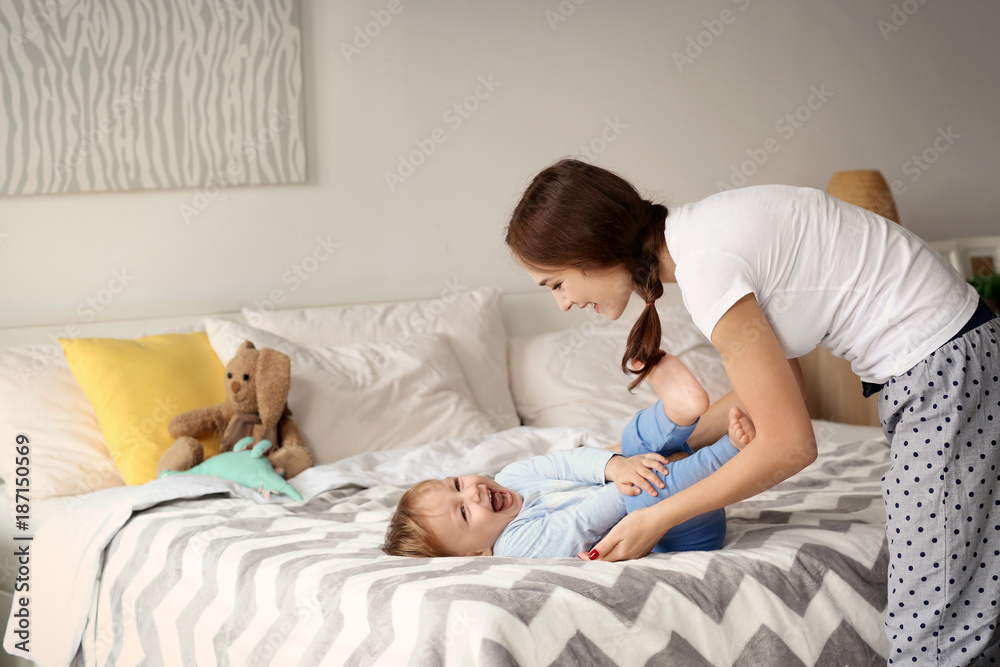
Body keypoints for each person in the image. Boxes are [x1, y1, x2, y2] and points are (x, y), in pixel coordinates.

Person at [504, 158, 999, 665]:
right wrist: (656, 447)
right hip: (951, 357)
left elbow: (790, 445)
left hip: (940, 369)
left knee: (932, 623)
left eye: (556, 284)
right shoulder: (699, 236)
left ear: (589, 251)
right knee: (967, 584)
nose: (562, 304)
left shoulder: (705, 270)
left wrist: (657, 517)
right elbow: (783, 388)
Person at [382, 353, 755, 558]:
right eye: (463, 512)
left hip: (655, 482)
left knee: (630, 444)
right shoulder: (514, 546)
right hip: (678, 532)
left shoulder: (511, 477)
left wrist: (617, 466)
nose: (473, 493)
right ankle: (730, 452)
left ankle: (678, 411)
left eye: (458, 484)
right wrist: (628, 482)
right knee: (641, 496)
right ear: (475, 554)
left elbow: (565, 461)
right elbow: (581, 522)